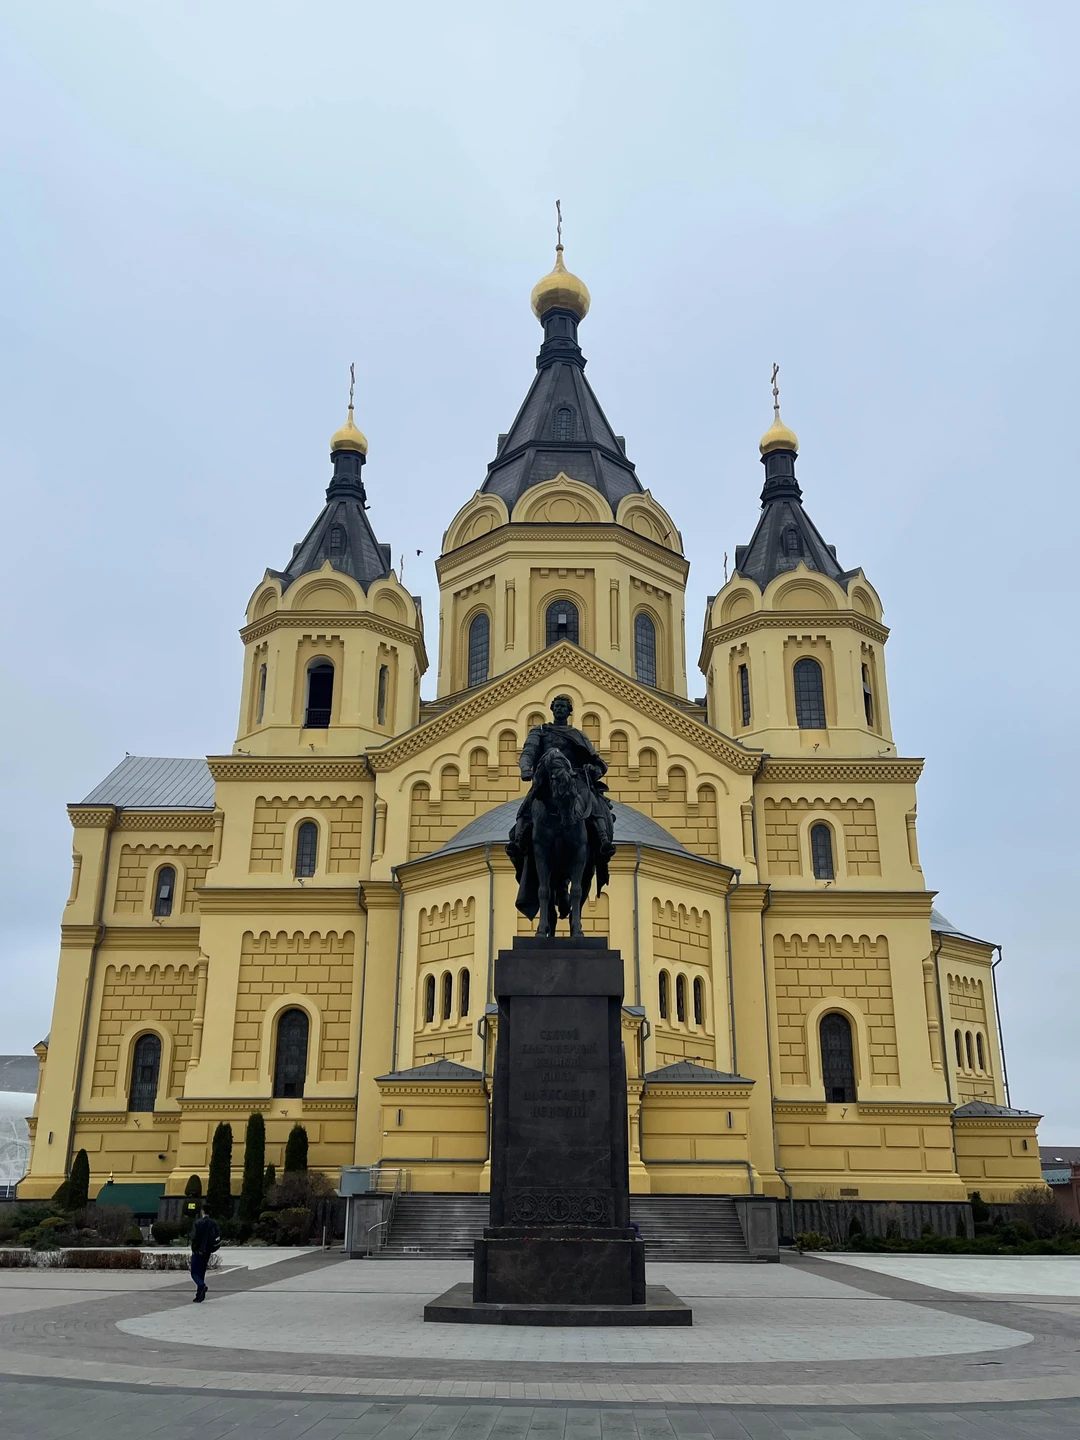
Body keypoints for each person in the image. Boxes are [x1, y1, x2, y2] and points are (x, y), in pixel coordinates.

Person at [189, 1199, 220, 1303]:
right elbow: (218, 1235)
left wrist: (194, 1248)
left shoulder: (198, 1223)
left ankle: (202, 1286)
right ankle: (199, 1295)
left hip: (198, 1250)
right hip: (208, 1250)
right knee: (201, 1272)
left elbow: (194, 1237)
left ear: (202, 1211)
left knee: (194, 1272)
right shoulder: (213, 1223)